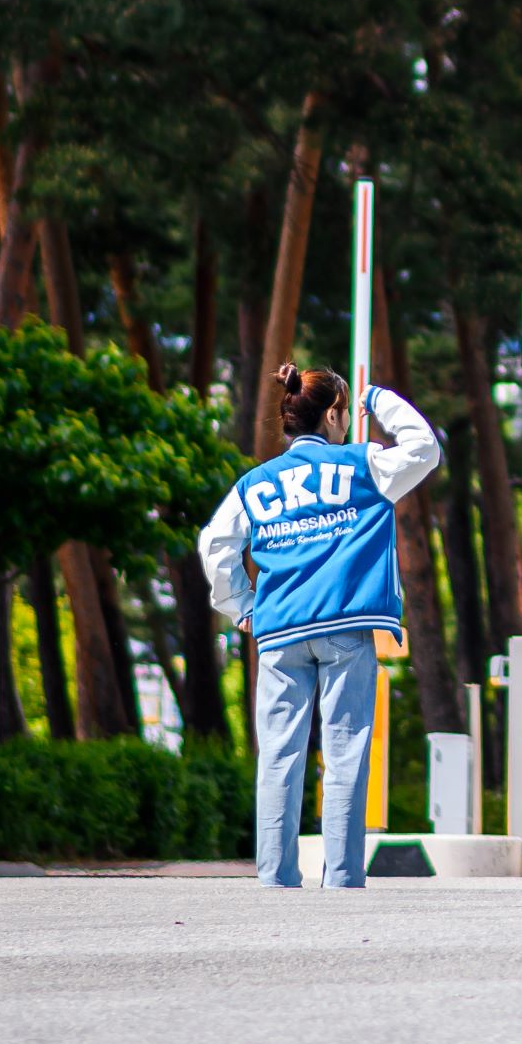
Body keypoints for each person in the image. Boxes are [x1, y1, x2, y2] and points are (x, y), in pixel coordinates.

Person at [199, 366, 443, 890]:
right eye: (345, 411)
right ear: (334, 414)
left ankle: (275, 876)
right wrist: (377, 397)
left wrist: (242, 607)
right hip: (346, 627)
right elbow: (424, 448)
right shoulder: (364, 464)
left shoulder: (255, 483)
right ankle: (341, 879)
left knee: (279, 758)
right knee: (344, 757)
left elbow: (216, 546)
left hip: (280, 631)